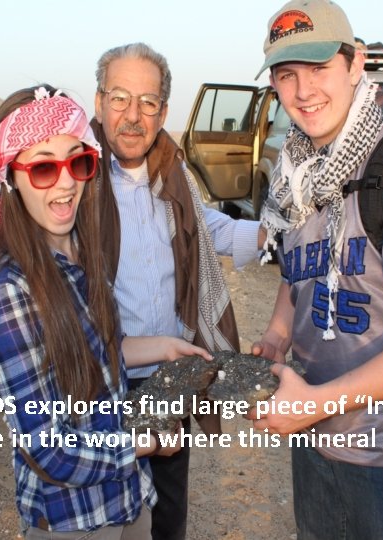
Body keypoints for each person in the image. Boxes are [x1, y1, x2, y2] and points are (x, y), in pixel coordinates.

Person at [0, 85, 212, 538]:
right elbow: (49, 450)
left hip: (126, 499)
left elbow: (96, 353)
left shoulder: (79, 253)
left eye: (79, 161)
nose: (67, 181)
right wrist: (146, 444)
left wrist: (166, 348)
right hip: (75, 518)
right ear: (11, 176)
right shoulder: (10, 292)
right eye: (45, 167)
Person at [249, 1, 383, 539]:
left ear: (355, 65)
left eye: (319, 68)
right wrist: (278, 334)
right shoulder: (295, 173)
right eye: (286, 75)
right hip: (317, 435)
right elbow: (296, 270)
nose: (304, 92)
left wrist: (315, 404)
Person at [91, 43, 266, 540]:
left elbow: (205, 227)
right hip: (104, 381)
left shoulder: (173, 171)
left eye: (147, 103)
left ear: (163, 111)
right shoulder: (75, 178)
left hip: (169, 379)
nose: (132, 116)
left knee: (168, 515)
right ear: (100, 101)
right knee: (108, 513)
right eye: (120, 98)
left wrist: (267, 237)